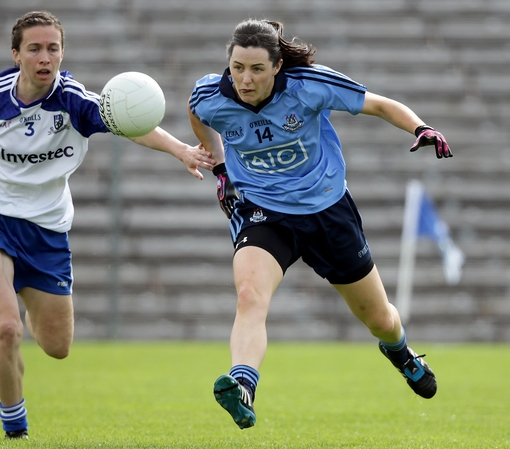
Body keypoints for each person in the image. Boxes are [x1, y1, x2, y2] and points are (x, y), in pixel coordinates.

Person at [0, 11, 215, 440]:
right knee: (6, 328)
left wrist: (181, 150)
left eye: (53, 48)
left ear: (62, 53)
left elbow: (131, 126)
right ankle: (15, 423)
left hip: (47, 232)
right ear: (16, 55)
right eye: (34, 49)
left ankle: (29, 299)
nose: (45, 57)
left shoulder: (75, 102)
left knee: (56, 347)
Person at [188, 19, 452, 430]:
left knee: (380, 319)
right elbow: (197, 114)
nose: (245, 79)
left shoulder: (309, 85)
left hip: (327, 211)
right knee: (249, 295)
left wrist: (421, 127)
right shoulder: (210, 94)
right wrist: (221, 166)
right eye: (237, 68)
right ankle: (243, 385)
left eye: (257, 69)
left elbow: (380, 104)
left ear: (277, 66)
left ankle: (401, 352)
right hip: (264, 212)